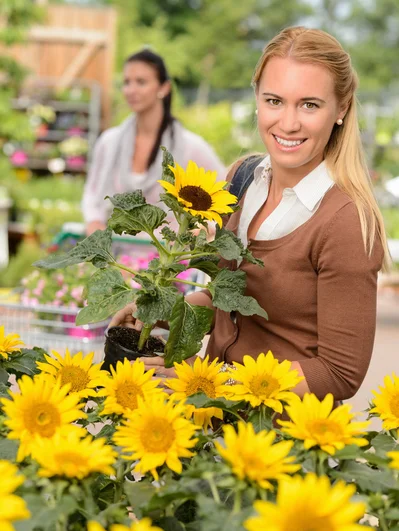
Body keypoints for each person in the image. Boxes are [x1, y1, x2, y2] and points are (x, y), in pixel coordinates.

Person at [109, 27, 390, 403]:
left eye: (309, 104)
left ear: (341, 108)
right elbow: (233, 300)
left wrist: (214, 381)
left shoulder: (345, 220)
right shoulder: (242, 178)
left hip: (284, 446)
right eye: (275, 100)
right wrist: (159, 313)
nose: (288, 123)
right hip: (210, 429)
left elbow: (338, 373)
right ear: (257, 97)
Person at [82, 49, 225, 236]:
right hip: (117, 254)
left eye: (141, 82)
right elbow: (92, 194)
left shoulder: (190, 147)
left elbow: (224, 193)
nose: (131, 90)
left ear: (163, 88)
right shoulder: (109, 142)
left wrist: (203, 228)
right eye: (126, 82)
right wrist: (94, 222)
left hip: (169, 257)